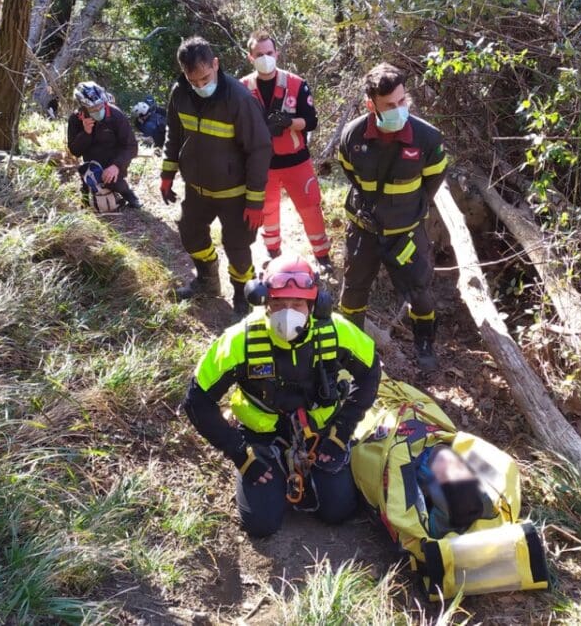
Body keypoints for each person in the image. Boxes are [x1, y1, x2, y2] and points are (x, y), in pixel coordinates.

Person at [182, 254, 381, 537]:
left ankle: (310, 473)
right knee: (261, 525)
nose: (288, 313)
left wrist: (340, 434)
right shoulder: (240, 341)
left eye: (297, 304)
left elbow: (370, 372)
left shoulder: (336, 333)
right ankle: (273, 471)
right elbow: (197, 401)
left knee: (339, 511)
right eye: (278, 304)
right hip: (260, 437)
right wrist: (240, 454)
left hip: (321, 432)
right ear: (264, 302)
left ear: (314, 305)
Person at [337, 63, 449, 372]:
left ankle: (424, 344)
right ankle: (351, 350)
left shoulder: (427, 138)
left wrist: (411, 210)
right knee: (354, 291)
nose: (399, 109)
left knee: (419, 291)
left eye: (402, 101)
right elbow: (348, 169)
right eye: (390, 105)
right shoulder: (353, 134)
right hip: (364, 228)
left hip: (406, 232)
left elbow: (434, 179)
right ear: (370, 104)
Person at [158, 36, 272, 311]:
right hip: (197, 189)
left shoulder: (239, 99)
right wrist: (167, 173)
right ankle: (207, 280)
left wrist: (255, 202)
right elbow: (174, 134)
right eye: (193, 80)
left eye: (205, 78)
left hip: (235, 193)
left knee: (238, 247)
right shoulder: (180, 93)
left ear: (216, 64)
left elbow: (259, 150)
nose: (200, 86)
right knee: (190, 233)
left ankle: (242, 299)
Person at [240, 30, 333, 269]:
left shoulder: (296, 84)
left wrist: (288, 122)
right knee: (267, 211)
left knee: (310, 208)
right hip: (263, 164)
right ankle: (273, 253)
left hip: (296, 161)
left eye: (269, 53)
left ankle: (322, 256)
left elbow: (311, 121)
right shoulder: (242, 88)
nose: (265, 57)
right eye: (259, 54)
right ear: (251, 57)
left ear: (277, 53)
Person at [67, 81, 142, 208]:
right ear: (83, 106)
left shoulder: (116, 115)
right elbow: (75, 151)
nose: (98, 110)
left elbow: (131, 147)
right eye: (93, 108)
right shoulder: (75, 119)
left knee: (114, 183)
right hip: (91, 163)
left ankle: (129, 194)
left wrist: (116, 166)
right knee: (91, 188)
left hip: (115, 159)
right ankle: (87, 189)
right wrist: (86, 133)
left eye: (100, 106)